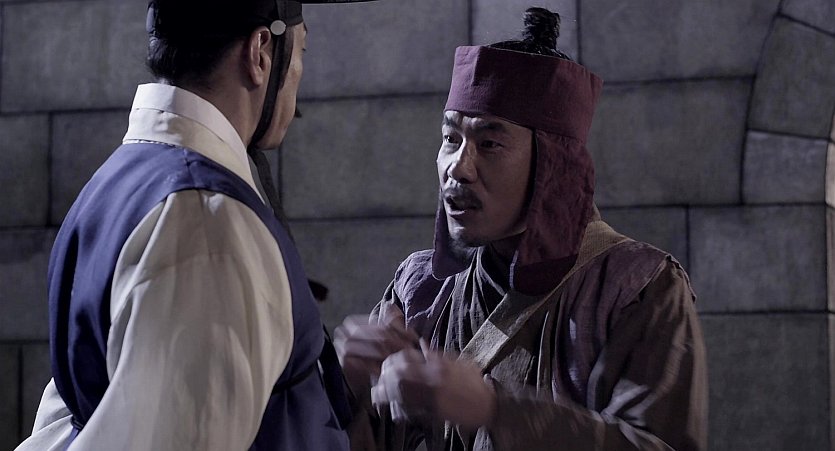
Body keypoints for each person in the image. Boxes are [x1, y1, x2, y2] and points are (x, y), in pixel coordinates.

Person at [336, 7, 708, 451]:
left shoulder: (635, 287)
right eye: (451, 139)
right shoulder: (419, 289)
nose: (458, 167)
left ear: (554, 166)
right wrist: (346, 386)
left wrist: (497, 411)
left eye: (489, 143)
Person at [16, 0, 375, 449]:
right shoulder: (206, 224)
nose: (299, 78)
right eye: (301, 52)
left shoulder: (122, 177)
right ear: (260, 53)